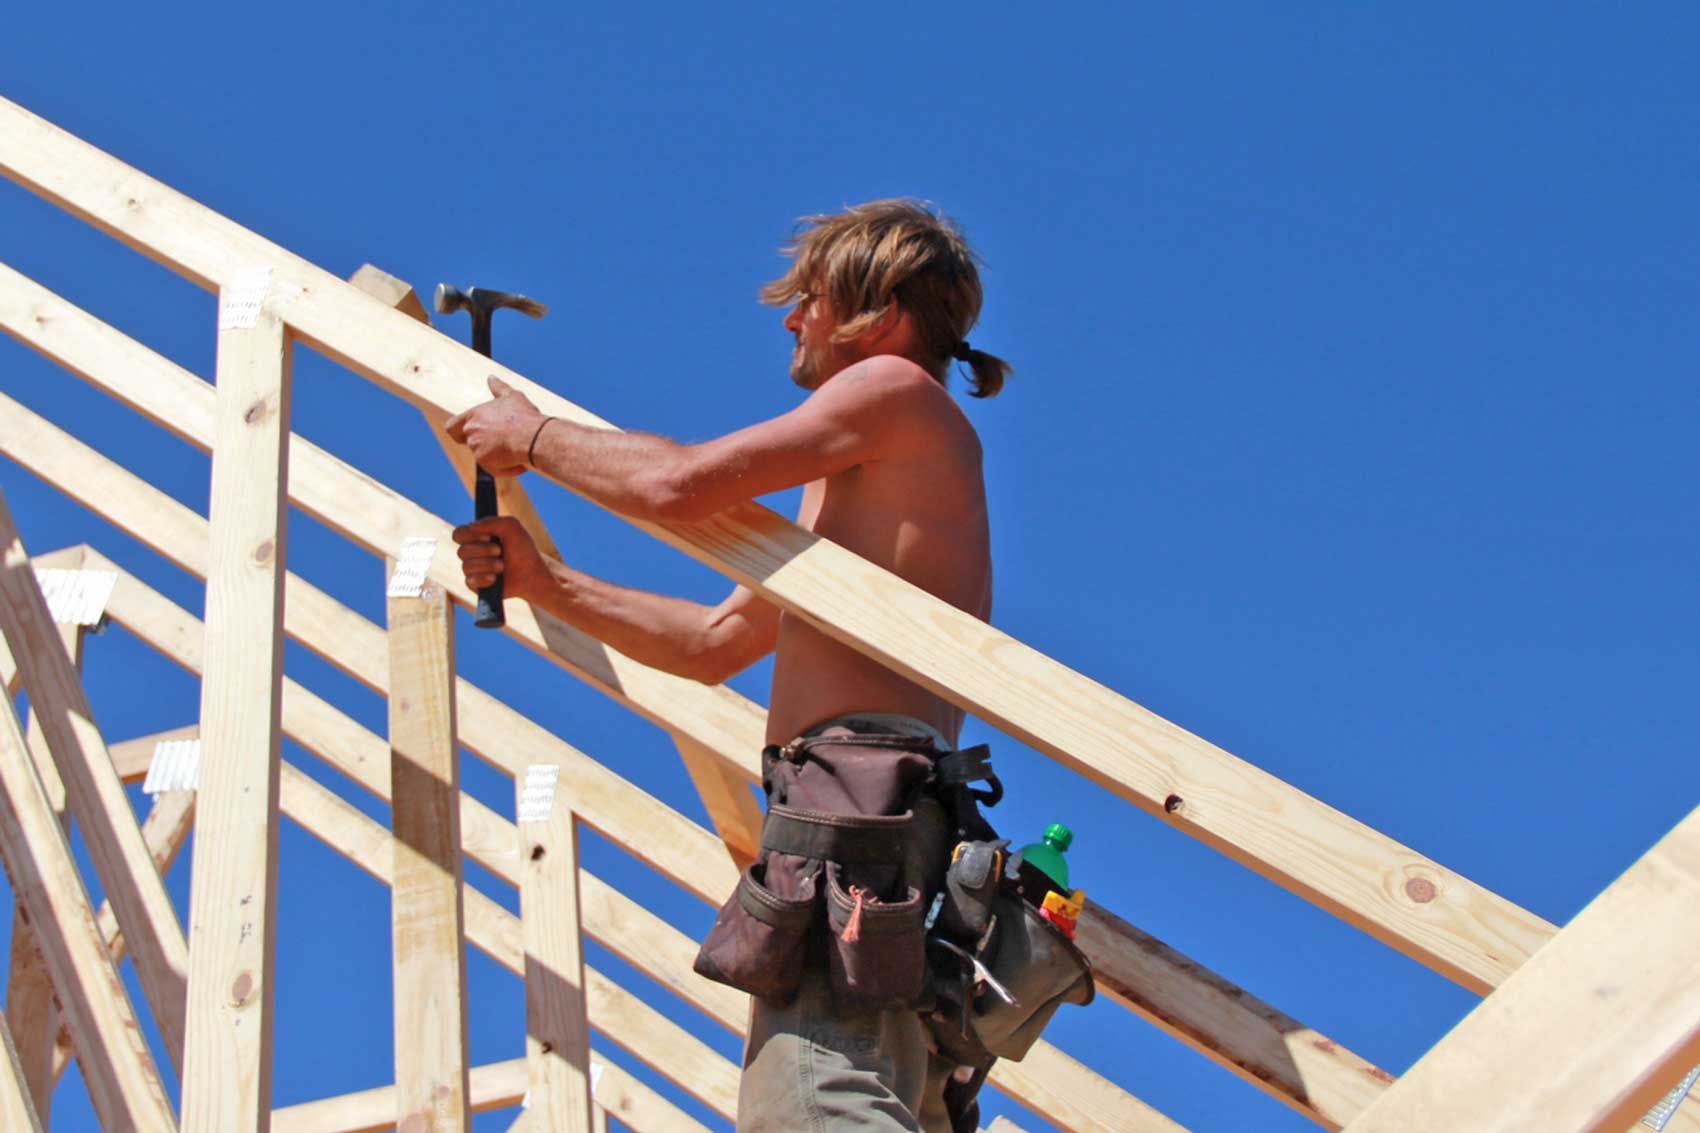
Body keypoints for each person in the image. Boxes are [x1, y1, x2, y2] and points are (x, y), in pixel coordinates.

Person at [446, 199, 1011, 1132]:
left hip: (854, 812)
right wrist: (549, 584)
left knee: (816, 1104)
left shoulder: (893, 393)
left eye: (814, 298)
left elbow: (680, 484)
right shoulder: (869, 473)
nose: (792, 318)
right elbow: (712, 643)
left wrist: (536, 439)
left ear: (888, 316)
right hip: (873, 821)